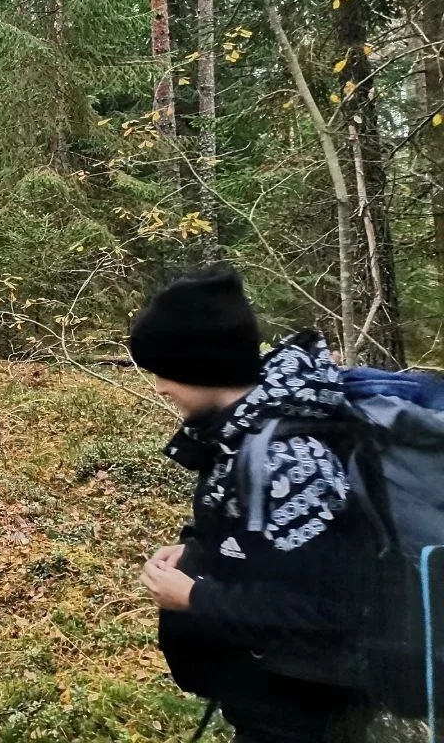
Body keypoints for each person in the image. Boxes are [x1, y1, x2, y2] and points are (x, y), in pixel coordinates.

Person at [129, 265, 374, 743]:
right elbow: (259, 550)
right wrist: (196, 551)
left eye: (163, 371)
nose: (159, 387)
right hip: (266, 695)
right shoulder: (240, 435)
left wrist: (194, 597)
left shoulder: (289, 463)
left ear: (200, 367)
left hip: (302, 712)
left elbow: (330, 612)